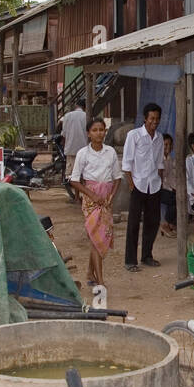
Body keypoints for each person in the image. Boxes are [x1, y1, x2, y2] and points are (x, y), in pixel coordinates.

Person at [70, 118, 122, 287]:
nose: (99, 133)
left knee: (99, 238)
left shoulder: (110, 152)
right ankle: (100, 280)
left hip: (106, 200)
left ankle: (90, 273)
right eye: (95, 130)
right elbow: (75, 180)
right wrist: (92, 195)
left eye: (102, 130)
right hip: (90, 200)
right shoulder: (82, 154)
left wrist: (111, 197)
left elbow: (117, 178)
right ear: (88, 133)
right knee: (95, 238)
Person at [121, 102, 165, 271]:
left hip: (154, 185)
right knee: (133, 224)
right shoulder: (134, 136)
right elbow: (127, 163)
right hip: (138, 185)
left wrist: (159, 182)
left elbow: (160, 163)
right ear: (145, 119)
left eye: (157, 118)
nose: (155, 121)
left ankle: (147, 256)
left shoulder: (159, 138)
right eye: (152, 118)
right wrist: (132, 186)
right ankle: (130, 261)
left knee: (152, 223)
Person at [159, 133, 178, 238]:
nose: (168, 147)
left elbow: (171, 177)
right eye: (165, 145)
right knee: (173, 199)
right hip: (158, 188)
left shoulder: (170, 159)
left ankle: (170, 223)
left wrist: (174, 187)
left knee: (178, 196)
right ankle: (165, 224)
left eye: (170, 145)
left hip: (168, 187)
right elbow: (161, 178)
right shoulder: (159, 158)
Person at [61, 99, 88, 164]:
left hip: (70, 149)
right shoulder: (87, 116)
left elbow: (64, 134)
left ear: (76, 106)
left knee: (71, 172)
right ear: (85, 107)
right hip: (84, 150)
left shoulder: (68, 116)